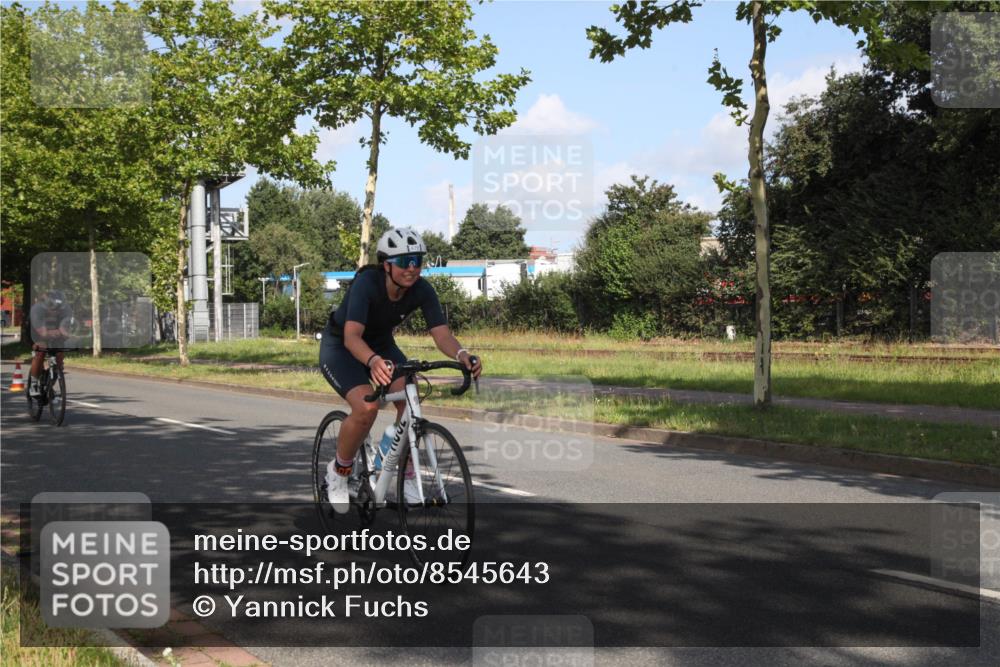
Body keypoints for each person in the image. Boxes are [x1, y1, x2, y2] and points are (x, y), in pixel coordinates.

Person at [319, 227, 482, 513]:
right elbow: (352, 337)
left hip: (381, 345)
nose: (412, 268)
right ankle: (339, 471)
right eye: (405, 261)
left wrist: (462, 354)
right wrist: (372, 362)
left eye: (417, 260)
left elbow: (441, 334)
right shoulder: (367, 284)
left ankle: (401, 467)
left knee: (410, 398)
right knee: (366, 408)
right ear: (387, 264)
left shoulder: (422, 289)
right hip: (342, 346)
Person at [29, 290, 72, 397]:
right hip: (37, 333)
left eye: (58, 307)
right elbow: (42, 333)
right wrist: (58, 332)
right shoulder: (37, 309)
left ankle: (49, 385)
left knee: (59, 356)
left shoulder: (66, 309)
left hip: (54, 332)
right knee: (41, 350)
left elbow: (64, 329)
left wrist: (65, 333)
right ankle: (33, 384)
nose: (55, 309)